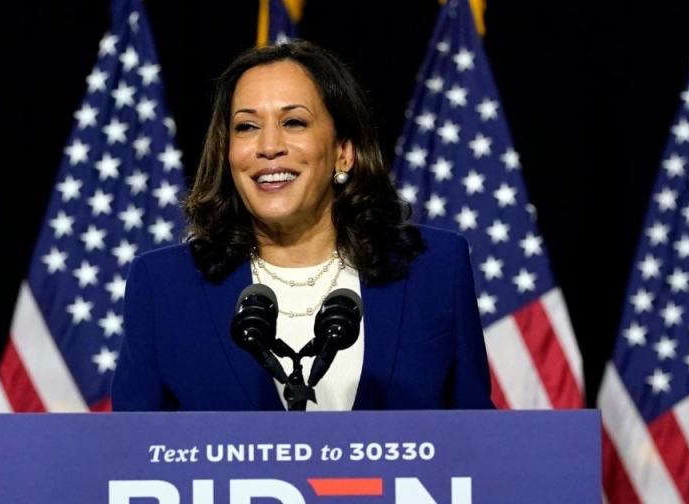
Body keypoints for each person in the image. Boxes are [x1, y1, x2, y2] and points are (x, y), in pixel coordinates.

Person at [111, 41, 493, 411]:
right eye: (246, 127)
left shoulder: (435, 268)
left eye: (293, 122)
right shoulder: (164, 285)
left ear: (343, 153)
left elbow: (477, 445)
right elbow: (131, 455)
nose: (268, 146)